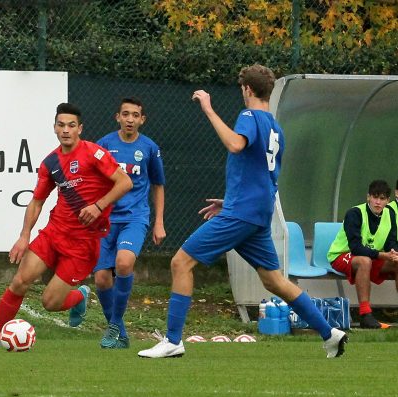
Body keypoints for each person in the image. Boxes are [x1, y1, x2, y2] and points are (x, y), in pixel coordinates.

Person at [138, 64, 348, 359]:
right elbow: (264, 176)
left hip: (243, 213)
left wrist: (209, 109)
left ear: (247, 90)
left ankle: (173, 340)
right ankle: (330, 333)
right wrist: (231, 201)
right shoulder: (276, 128)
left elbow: (236, 145)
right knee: (274, 281)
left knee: (180, 262)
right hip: (256, 213)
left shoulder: (249, 116)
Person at [0, 103, 133, 350]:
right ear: (55, 128)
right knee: (20, 281)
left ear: (80, 128)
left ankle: (80, 297)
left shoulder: (94, 154)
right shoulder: (51, 163)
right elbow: (37, 201)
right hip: (54, 233)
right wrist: (24, 237)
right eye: (61, 125)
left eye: (71, 125)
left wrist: (98, 206)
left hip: (83, 243)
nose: (66, 130)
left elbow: (125, 182)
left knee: (50, 302)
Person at [93, 97, 166, 349]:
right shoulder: (104, 145)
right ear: (118, 117)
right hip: (106, 220)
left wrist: (159, 222)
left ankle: (113, 325)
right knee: (102, 278)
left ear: (142, 120)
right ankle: (120, 333)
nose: (130, 119)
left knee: (124, 263)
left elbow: (158, 185)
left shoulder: (149, 148)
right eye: (126, 114)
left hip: (135, 217)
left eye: (135, 115)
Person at [327, 180, 398, 329]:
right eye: (375, 197)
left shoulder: (390, 215)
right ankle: (365, 315)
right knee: (364, 261)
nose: (378, 202)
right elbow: (356, 248)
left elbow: (391, 242)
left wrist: (393, 253)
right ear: (368, 197)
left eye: (382, 198)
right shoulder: (354, 213)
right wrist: (383, 255)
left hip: (371, 257)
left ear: (388, 201)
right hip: (342, 255)